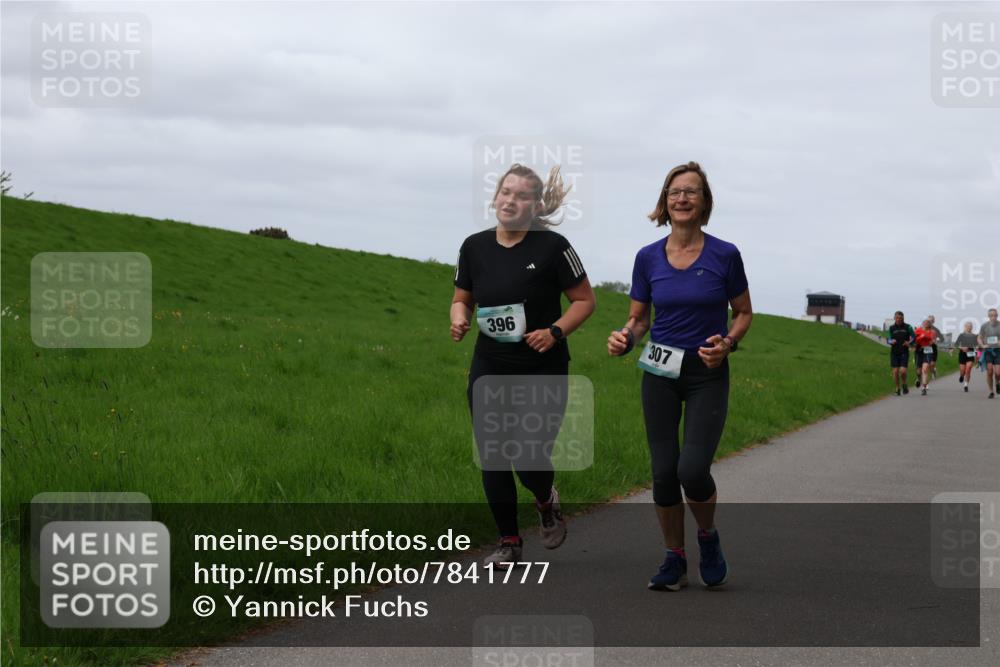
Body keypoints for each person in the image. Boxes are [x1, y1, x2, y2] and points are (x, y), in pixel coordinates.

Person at [607, 161, 752, 590]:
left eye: (691, 192)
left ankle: (707, 537)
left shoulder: (725, 254)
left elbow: (743, 312)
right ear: (664, 203)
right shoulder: (647, 257)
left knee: (692, 469)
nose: (682, 198)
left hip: (707, 370)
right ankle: (674, 557)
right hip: (659, 370)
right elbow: (638, 319)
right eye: (674, 192)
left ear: (704, 202)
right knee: (664, 472)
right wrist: (625, 337)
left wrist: (727, 343)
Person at [451, 163, 596, 565]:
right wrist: (459, 317)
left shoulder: (553, 247)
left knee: (530, 454)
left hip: (540, 365)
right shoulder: (474, 246)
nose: (510, 200)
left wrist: (555, 331)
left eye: (521, 196)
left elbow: (585, 301)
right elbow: (462, 297)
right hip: (490, 363)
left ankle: (545, 499)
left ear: (536, 205)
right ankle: (509, 542)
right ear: (495, 197)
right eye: (506, 192)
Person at [887, 311, 915, 396]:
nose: (898, 319)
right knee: (895, 372)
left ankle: (904, 384)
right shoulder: (891, 328)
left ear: (903, 318)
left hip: (904, 352)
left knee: (903, 371)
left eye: (900, 318)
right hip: (894, 352)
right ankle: (897, 388)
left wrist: (909, 343)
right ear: (894, 318)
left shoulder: (908, 327)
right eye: (897, 318)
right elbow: (888, 339)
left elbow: (914, 337)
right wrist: (892, 341)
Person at [978, 308, 1000, 399]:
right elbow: (979, 337)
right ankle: (991, 391)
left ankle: (997, 383)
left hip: (998, 350)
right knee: (990, 371)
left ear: (997, 316)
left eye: (995, 315)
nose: (993, 317)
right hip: (988, 351)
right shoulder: (984, 326)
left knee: (998, 373)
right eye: (991, 315)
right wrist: (982, 345)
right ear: (988, 316)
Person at [954, 322, 979, 393]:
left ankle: (966, 385)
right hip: (962, 353)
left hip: (970, 354)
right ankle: (961, 376)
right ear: (964, 327)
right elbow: (956, 344)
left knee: (968, 368)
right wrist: (962, 348)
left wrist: (977, 355)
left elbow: (977, 346)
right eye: (967, 326)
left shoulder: (974, 336)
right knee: (962, 370)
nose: (969, 327)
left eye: (970, 326)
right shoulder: (961, 335)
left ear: (972, 328)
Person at [914, 319, 936, 396]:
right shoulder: (918, 330)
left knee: (925, 369)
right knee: (918, 371)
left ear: (930, 324)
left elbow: (933, 340)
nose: (926, 324)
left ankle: (923, 388)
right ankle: (919, 379)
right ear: (922, 324)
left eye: (928, 323)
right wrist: (921, 337)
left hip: (928, 351)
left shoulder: (932, 332)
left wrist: (932, 342)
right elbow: (914, 340)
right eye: (925, 323)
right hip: (919, 351)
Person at [927, 315, 944, 379]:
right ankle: (932, 371)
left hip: (933, 347)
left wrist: (936, 341)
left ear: (933, 321)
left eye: (931, 321)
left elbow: (942, 339)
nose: (930, 322)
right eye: (929, 321)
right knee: (927, 364)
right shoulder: (923, 328)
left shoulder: (936, 329)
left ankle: (933, 371)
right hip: (926, 347)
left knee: (932, 364)